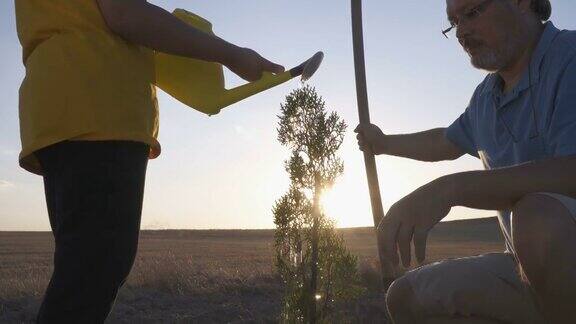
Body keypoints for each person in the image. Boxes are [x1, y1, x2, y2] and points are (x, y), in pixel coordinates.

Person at [14, 0, 284, 322]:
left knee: (83, 270)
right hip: (98, 109)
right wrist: (231, 54)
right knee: (93, 272)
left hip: (61, 109)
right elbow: (126, 13)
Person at [355, 0, 576, 323]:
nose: (461, 32)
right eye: (454, 22)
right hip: (526, 272)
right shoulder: (485, 98)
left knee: (538, 218)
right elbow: (445, 141)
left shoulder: (570, 57)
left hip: (560, 256)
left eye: (472, 12)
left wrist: (452, 189)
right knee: (405, 297)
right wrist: (385, 144)